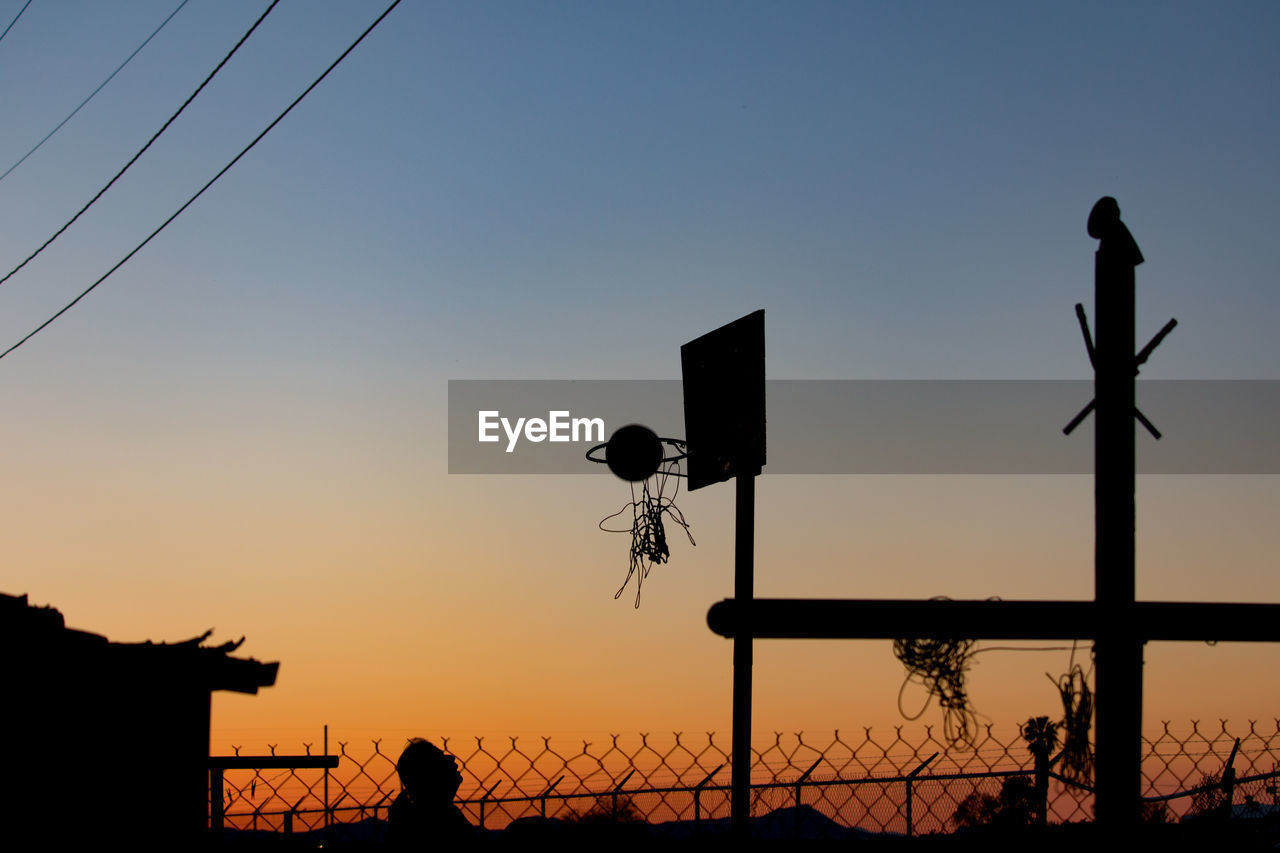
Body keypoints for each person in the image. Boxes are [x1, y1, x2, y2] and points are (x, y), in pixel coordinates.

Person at [388, 738, 475, 848]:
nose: (451, 758)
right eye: (441, 757)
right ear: (429, 774)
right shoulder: (437, 821)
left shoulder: (444, 814)